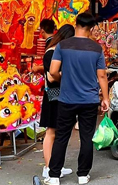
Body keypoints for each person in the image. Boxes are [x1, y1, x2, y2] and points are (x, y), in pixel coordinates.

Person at [45, 12, 109, 185]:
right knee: (87, 137)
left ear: (76, 24)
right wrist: (106, 98)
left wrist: (63, 79)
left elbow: (52, 71)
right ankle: (82, 175)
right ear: (91, 28)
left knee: (61, 137)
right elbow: (102, 76)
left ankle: (54, 176)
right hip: (89, 99)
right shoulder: (96, 48)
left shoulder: (63, 45)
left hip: (67, 99)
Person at [40, 24, 75, 180]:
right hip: (53, 97)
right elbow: (51, 77)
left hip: (62, 95)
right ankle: (48, 168)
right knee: (51, 132)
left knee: (60, 132)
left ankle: (56, 165)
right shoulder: (51, 52)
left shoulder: (59, 51)